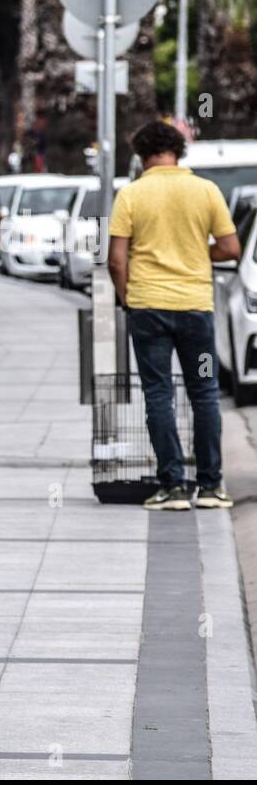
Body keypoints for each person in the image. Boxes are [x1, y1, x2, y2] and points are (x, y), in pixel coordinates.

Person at [108, 120, 242, 511]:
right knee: (204, 393)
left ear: (141, 153)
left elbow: (117, 261)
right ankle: (212, 486)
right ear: (179, 151)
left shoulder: (131, 195)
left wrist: (129, 300)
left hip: (148, 309)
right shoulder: (206, 190)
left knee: (158, 394)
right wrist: (201, 256)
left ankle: (173, 487)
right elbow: (231, 248)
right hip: (196, 309)